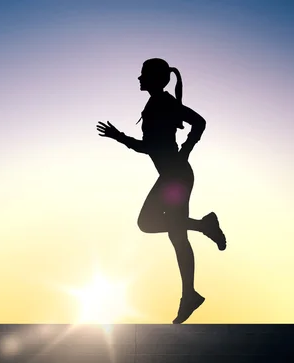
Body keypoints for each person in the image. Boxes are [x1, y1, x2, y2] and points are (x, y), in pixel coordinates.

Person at [96, 58, 226, 324]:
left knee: (167, 231)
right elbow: (152, 146)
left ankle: (190, 288)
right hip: (171, 176)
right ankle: (202, 231)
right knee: (162, 229)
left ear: (156, 78)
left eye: (143, 74)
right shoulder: (156, 104)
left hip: (176, 177)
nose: (139, 78)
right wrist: (121, 137)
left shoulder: (164, 103)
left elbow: (198, 123)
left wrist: (186, 150)